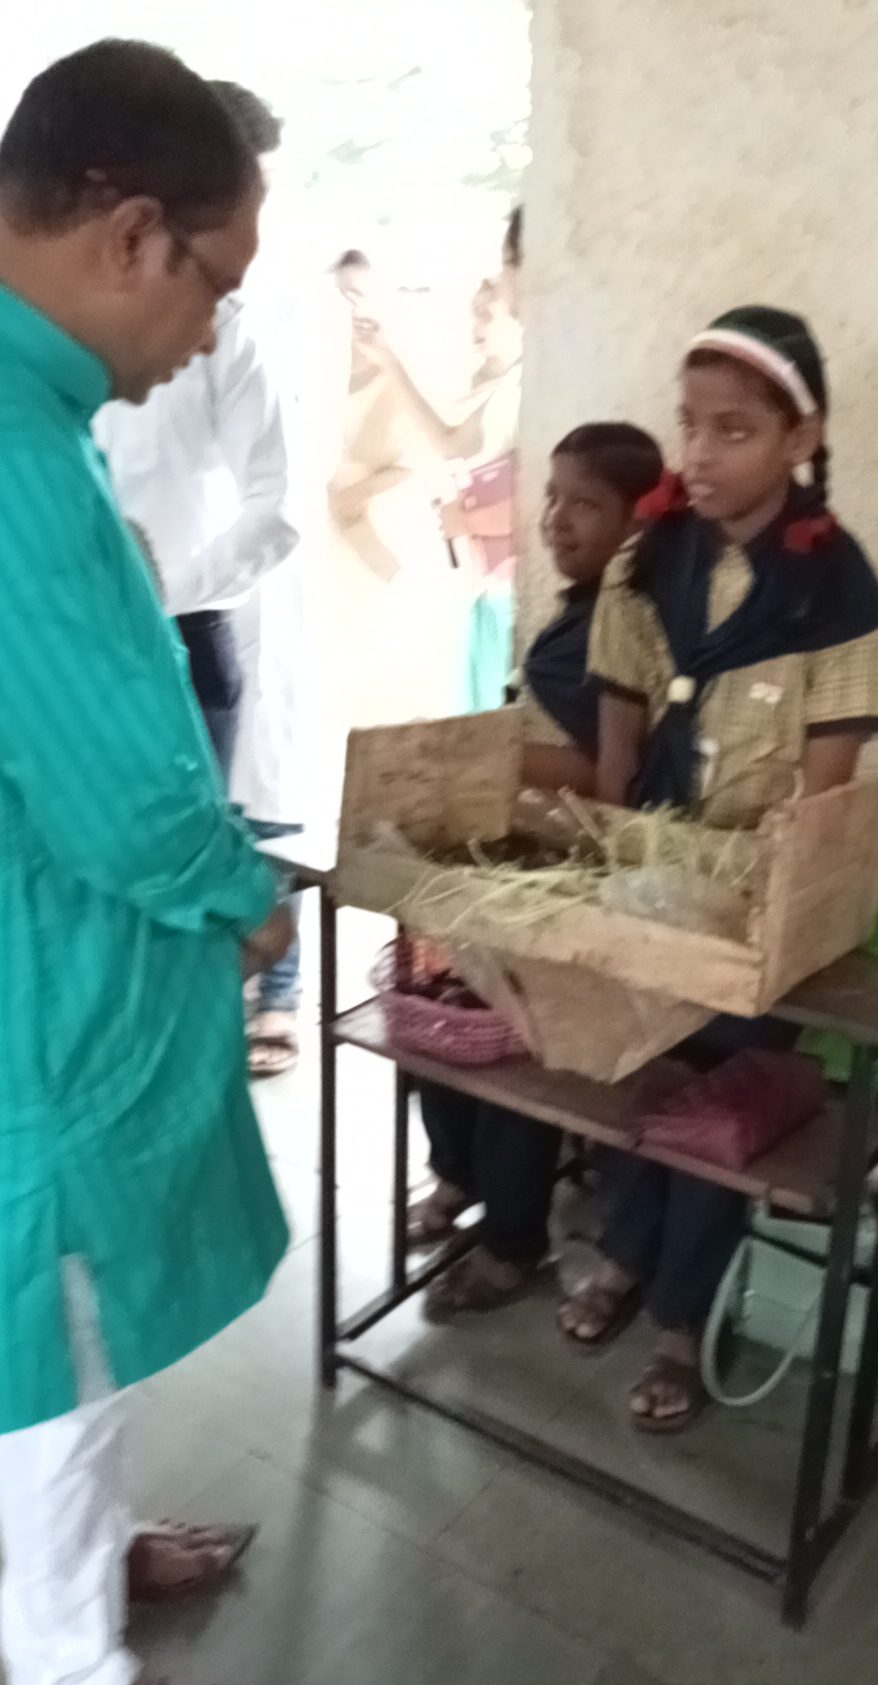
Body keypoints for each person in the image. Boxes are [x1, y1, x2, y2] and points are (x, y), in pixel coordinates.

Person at [0, 39, 293, 1685]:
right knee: (60, 1325)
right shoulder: (18, 462)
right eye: (214, 283)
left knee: (57, 1318)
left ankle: (81, 1561)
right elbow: (116, 793)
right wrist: (243, 898)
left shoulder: (33, 423)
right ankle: (72, 1680)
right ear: (128, 234)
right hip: (41, 995)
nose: (206, 334)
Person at [557, 307, 878, 1432]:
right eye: (688, 424)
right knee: (639, 1076)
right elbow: (618, 741)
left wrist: (766, 913)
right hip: (645, 874)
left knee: (719, 1112)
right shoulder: (648, 560)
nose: (697, 454)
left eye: (734, 430)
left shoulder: (840, 592)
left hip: (758, 897)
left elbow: (828, 791)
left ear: (803, 438)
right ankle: (623, 1256)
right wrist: (605, 871)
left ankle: (679, 1324)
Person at [411, 423, 665, 1317]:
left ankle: (512, 1239)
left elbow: (608, 777)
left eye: (585, 504)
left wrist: (487, 759)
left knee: (518, 1048)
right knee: (438, 1008)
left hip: (570, 869)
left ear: (637, 522)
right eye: (552, 496)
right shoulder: (575, 608)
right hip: (514, 851)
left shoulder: (627, 624)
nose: (556, 518)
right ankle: (456, 1175)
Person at [95, 81, 303, 1076]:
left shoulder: (228, 334)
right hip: (86, 627)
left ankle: (213, 1036)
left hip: (183, 627)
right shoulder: (62, 349)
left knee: (194, 863)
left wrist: (161, 593)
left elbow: (276, 508)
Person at [313, 245, 460, 787]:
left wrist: (360, 492)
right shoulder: (313, 378)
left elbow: (431, 463)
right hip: (329, 550)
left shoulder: (404, 376)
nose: (351, 310)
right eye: (340, 297)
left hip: (387, 546)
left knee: (391, 686)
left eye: (359, 296)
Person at [374, 208, 524, 711]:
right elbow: (449, 441)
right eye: (474, 313)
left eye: (487, 314)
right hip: (485, 587)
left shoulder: (520, 389)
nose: (476, 325)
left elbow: (526, 503)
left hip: (507, 589)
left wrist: (467, 519)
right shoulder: (492, 388)